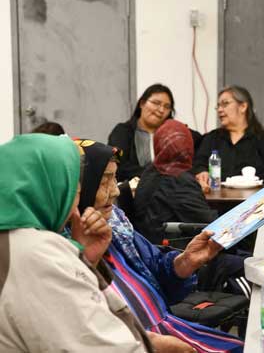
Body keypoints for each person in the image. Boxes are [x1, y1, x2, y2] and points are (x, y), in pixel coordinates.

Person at [74, 138, 244, 353]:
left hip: (166, 327)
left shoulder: (114, 221)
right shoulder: (62, 244)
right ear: (78, 185)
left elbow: (152, 264)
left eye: (114, 179)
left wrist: (184, 262)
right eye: (104, 180)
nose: (115, 191)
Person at [0, 134, 152, 352]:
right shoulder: (37, 254)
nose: (74, 208)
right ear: (48, 193)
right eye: (74, 193)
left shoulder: (15, 245)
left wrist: (84, 261)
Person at [133, 119, 217, 245]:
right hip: (178, 253)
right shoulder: (178, 179)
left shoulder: (152, 170)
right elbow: (211, 225)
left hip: (153, 246)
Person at [193, 85, 264, 190]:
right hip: (216, 200)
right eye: (218, 106)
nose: (219, 110)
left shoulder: (262, 138)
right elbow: (198, 163)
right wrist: (201, 172)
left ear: (243, 107)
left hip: (253, 201)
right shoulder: (212, 138)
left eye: (225, 104)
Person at [108, 83, 203, 182]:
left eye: (167, 107)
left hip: (170, 188)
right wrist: (155, 174)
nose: (161, 110)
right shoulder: (122, 132)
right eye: (156, 103)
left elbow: (203, 144)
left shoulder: (173, 134)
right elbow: (116, 165)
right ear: (142, 103)